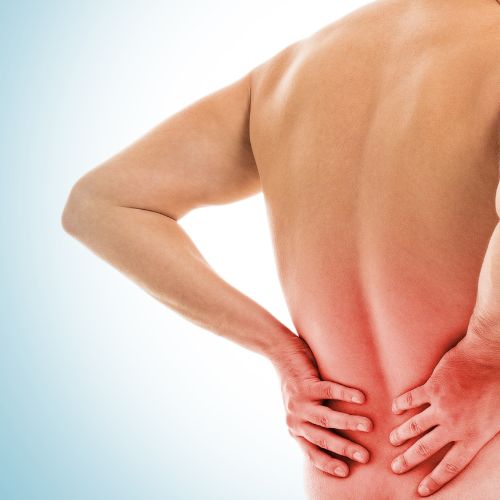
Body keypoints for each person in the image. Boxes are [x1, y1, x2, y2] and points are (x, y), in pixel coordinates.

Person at [61, 0, 500, 498]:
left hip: (341, 475)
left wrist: (282, 351)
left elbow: (100, 205)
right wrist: (486, 352)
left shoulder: (286, 75)